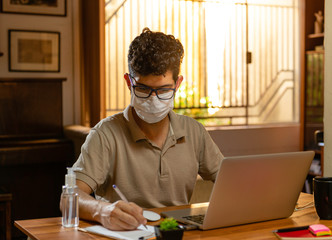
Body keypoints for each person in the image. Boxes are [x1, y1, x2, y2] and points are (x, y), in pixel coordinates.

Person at [69, 28, 224, 231]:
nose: (153, 99)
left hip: (176, 234)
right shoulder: (105, 134)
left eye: (163, 90)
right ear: (128, 82)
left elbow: (232, 182)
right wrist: (102, 211)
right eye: (142, 89)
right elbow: (71, 196)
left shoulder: (194, 132)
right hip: (126, 234)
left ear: (178, 84)